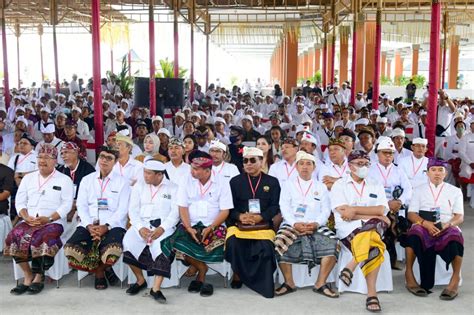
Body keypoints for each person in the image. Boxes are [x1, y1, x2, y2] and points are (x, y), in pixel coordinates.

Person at [161, 151, 233, 297]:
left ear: (207, 171)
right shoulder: (185, 179)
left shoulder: (222, 182)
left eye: (195, 169)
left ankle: (200, 276)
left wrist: (211, 227)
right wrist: (188, 227)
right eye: (192, 168)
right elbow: (182, 206)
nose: (191, 171)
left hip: (214, 225)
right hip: (190, 224)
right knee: (174, 243)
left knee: (219, 244)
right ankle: (201, 268)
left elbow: (225, 210)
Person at [5, 144, 73, 295]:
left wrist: (48, 219)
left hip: (53, 222)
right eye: (40, 157)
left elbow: (66, 205)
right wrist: (25, 217)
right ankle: (28, 275)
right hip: (29, 220)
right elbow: (20, 202)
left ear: (55, 160)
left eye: (47, 158)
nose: (42, 161)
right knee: (13, 236)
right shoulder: (28, 178)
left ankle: (39, 276)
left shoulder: (64, 179)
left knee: (42, 238)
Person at [330, 150, 390, 313]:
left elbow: (382, 208)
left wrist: (355, 210)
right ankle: (372, 294)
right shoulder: (340, 185)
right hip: (348, 228)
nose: (364, 167)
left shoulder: (375, 183)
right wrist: (373, 215)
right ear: (350, 166)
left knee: (371, 230)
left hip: (370, 225)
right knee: (375, 245)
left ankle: (352, 265)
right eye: (359, 164)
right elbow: (344, 213)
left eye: (366, 164)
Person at [64, 146, 131, 290]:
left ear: (116, 162)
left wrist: (106, 226)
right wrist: (89, 225)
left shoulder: (123, 182)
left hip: (113, 224)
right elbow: (81, 206)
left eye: (109, 158)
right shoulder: (87, 180)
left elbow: (123, 210)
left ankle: (99, 272)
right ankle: (106, 269)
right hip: (89, 222)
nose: (104, 161)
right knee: (71, 249)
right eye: (102, 157)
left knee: (113, 250)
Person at [275, 151, 339, 298]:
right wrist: (294, 223)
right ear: (296, 167)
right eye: (301, 163)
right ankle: (289, 283)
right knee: (279, 242)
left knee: (334, 243)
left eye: (308, 163)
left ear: (314, 167)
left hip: (316, 225)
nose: (305, 167)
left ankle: (320, 283)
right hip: (291, 224)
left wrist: (316, 224)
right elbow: (284, 207)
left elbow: (326, 210)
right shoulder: (288, 185)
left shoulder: (320, 186)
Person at [404, 158, 464, 300]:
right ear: (427, 173)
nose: (437, 173)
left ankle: (454, 281)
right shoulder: (418, 190)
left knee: (456, 237)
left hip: (446, 223)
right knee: (413, 234)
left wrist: (447, 224)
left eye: (440, 170)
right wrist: (425, 223)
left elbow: (459, 216)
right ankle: (409, 276)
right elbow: (411, 214)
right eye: (433, 170)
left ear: (445, 173)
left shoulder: (455, 191)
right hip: (424, 223)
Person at [225, 147, 280, 298]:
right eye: (245, 161)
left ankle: (262, 282)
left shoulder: (272, 182)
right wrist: (240, 216)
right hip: (239, 225)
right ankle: (238, 273)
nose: (248, 164)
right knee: (233, 243)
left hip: (262, 224)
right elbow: (228, 206)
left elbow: (275, 206)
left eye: (252, 160)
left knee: (266, 247)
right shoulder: (235, 182)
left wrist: (261, 217)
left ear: (261, 162)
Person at [122, 159, 179, 303]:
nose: (145, 176)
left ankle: (156, 289)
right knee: (128, 242)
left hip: (163, 227)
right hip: (142, 226)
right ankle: (140, 280)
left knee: (163, 248)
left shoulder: (173, 188)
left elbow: (175, 213)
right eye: (144, 172)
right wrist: (140, 228)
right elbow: (132, 210)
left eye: (148, 173)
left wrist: (162, 228)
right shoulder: (139, 186)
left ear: (159, 175)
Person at [368, 137, 412, 269]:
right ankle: (387, 260)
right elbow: (367, 192)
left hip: (396, 207)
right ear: (378, 154)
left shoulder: (398, 170)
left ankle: (400, 260)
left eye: (391, 153)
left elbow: (408, 189)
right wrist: (387, 204)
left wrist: (399, 201)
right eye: (384, 153)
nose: (388, 156)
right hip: (377, 208)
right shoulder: (370, 170)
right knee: (386, 227)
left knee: (405, 226)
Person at [57, 142, 95, 222]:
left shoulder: (88, 170)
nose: (63, 156)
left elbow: (93, 194)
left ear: (75, 153)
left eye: (66, 152)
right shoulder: (60, 170)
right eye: (62, 153)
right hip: (64, 205)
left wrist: (76, 204)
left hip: (83, 206)